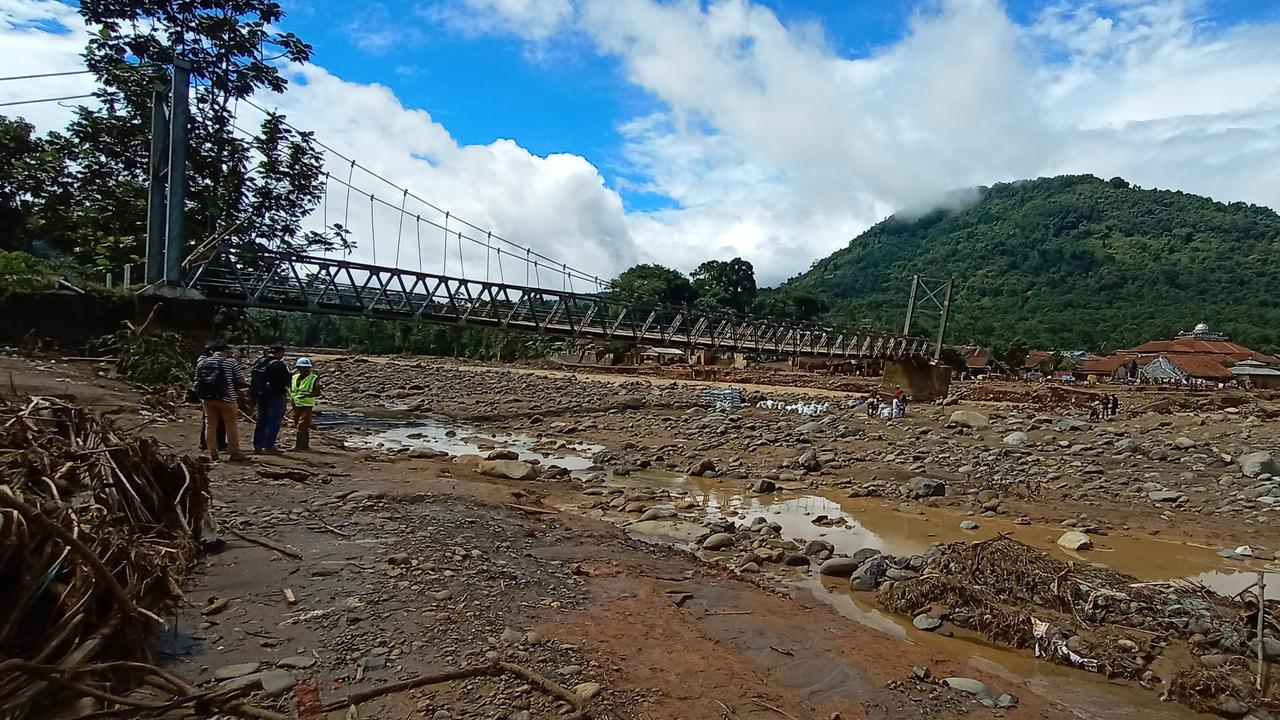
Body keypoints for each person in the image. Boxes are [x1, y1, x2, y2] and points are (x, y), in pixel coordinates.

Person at [194, 340, 247, 461]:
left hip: (207, 398)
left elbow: (196, 380)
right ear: (226, 351)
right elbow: (240, 380)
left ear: (212, 351)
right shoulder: (231, 362)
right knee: (231, 426)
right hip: (227, 398)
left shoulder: (202, 362)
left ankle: (213, 453)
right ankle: (235, 453)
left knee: (210, 426)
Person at [251, 345, 292, 454]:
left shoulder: (260, 362)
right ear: (280, 353)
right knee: (273, 420)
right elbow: (287, 380)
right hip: (275, 394)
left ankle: (258, 445)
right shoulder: (278, 364)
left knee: (261, 419)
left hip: (261, 394)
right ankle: (269, 445)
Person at [289, 357, 321, 451]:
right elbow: (291, 389)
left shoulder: (313, 378)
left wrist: (307, 395)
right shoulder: (294, 377)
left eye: (307, 368)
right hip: (296, 404)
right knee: (298, 424)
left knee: (302, 424)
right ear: (298, 368)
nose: (306, 370)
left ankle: (299, 446)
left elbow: (317, 393)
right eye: (303, 368)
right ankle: (304, 446)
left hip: (307, 405)